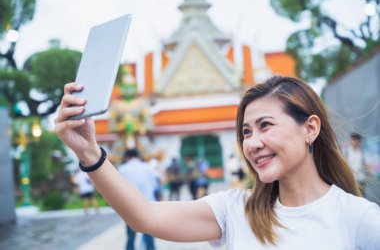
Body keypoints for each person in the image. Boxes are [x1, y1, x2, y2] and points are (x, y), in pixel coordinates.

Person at [55, 75, 380, 249]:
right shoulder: (236, 211)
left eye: (265, 126)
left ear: (310, 128)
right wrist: (88, 153)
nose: (252, 144)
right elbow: (145, 217)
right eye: (246, 132)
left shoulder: (360, 219)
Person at [118, 148, 157, 250]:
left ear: (126, 157)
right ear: (138, 156)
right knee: (149, 232)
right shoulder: (147, 167)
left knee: (131, 234)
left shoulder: (123, 169)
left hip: (130, 205)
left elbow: (118, 189)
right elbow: (155, 184)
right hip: (148, 203)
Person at [344, 132, 372, 196]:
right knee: (349, 196)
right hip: (350, 179)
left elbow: (366, 164)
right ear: (351, 140)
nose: (356, 142)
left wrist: (369, 171)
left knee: (360, 197)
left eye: (358, 140)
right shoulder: (346, 152)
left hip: (360, 179)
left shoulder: (362, 152)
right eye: (355, 140)